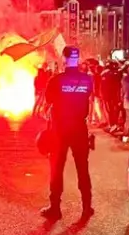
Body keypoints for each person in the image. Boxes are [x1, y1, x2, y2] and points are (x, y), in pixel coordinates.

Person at [40, 46, 94, 221]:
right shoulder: (87, 80)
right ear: (77, 59)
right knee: (82, 168)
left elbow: (48, 101)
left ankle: (55, 208)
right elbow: (88, 100)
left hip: (60, 129)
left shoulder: (56, 80)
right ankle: (87, 207)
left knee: (56, 168)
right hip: (79, 128)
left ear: (63, 59)